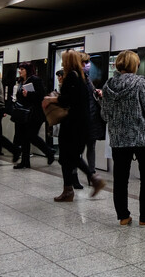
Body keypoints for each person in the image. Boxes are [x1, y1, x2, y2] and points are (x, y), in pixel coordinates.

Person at [101, 50, 145, 226]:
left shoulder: (108, 86)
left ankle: (123, 216)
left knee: (120, 179)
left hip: (119, 139)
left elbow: (104, 115)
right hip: (143, 139)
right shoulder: (140, 83)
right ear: (134, 65)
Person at [42, 49, 106, 202]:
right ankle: (70, 189)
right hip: (81, 124)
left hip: (72, 125)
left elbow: (67, 100)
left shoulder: (71, 76)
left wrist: (51, 100)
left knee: (68, 156)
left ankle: (90, 180)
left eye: (64, 60)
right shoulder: (83, 77)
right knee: (67, 157)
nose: (63, 62)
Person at [71, 53, 106, 189]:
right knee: (77, 150)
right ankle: (76, 176)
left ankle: (91, 174)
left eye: (88, 63)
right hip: (83, 119)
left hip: (91, 119)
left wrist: (97, 92)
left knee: (90, 147)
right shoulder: (76, 78)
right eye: (84, 63)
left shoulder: (86, 78)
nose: (87, 65)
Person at [13, 62, 55, 169]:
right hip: (25, 113)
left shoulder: (35, 80)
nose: (20, 71)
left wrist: (29, 94)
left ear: (27, 70)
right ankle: (25, 161)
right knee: (24, 137)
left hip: (36, 113)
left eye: (22, 69)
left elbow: (41, 95)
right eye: (19, 69)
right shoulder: (22, 81)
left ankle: (49, 152)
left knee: (31, 136)